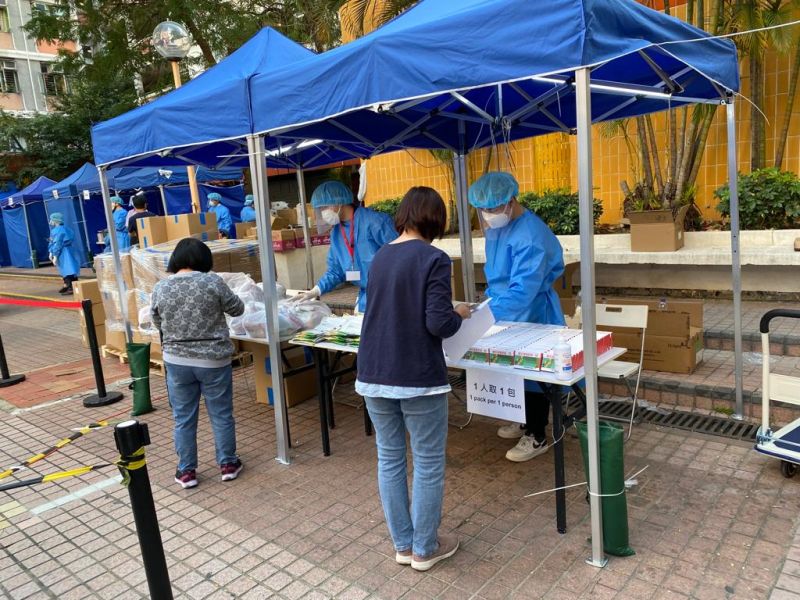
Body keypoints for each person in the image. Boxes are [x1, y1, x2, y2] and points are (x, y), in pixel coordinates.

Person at [357, 186, 471, 572]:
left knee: (389, 458)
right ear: (434, 220)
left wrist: (446, 310)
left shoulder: (379, 258)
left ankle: (403, 545)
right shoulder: (434, 258)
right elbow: (437, 322)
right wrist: (460, 315)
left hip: (373, 371)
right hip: (416, 375)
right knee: (426, 461)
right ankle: (425, 547)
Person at [468, 171, 565, 462]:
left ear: (511, 201)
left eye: (494, 208)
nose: (489, 215)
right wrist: (486, 306)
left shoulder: (530, 234)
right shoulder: (498, 227)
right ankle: (523, 421)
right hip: (505, 308)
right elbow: (497, 276)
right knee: (511, 370)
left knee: (532, 373)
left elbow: (524, 289)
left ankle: (537, 435)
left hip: (533, 310)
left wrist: (486, 314)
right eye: (484, 210)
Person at [150, 238, 246, 489]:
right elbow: (237, 309)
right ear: (204, 260)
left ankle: (186, 471)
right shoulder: (212, 281)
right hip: (213, 360)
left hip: (177, 361)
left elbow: (156, 320)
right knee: (221, 414)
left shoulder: (160, 287)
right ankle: (227, 464)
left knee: (183, 418)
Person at [293, 180, 397, 312]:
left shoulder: (376, 222)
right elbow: (336, 271)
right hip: (366, 296)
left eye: (324, 208)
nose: (322, 213)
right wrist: (315, 290)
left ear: (338, 202)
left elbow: (401, 256)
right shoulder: (336, 232)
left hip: (390, 293)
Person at [47, 213, 81, 295]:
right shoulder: (66, 229)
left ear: (55, 220)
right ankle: (69, 285)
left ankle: (70, 287)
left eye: (51, 219)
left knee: (67, 269)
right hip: (68, 251)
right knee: (69, 269)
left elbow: (58, 243)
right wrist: (51, 251)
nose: (50, 221)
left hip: (63, 252)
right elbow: (52, 242)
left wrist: (54, 254)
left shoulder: (58, 230)